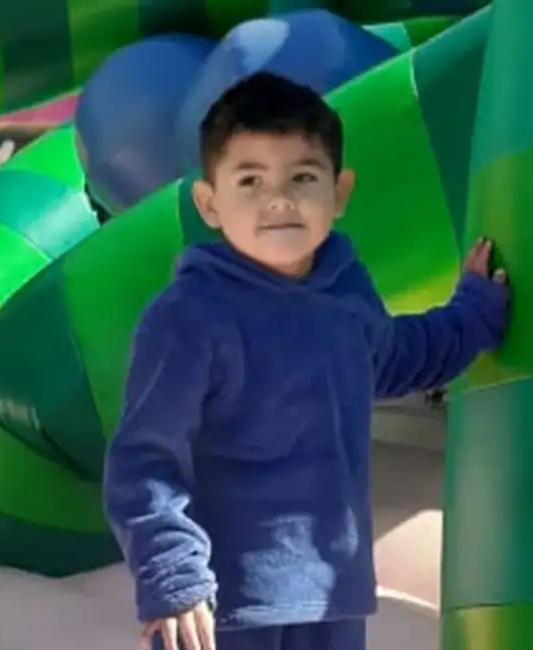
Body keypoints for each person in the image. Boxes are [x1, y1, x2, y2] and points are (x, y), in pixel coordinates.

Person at [102, 72, 509, 650]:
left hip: (332, 595)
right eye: (250, 180)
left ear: (338, 193)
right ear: (209, 204)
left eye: (302, 177)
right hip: (221, 607)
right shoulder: (188, 317)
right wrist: (172, 574)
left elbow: (398, 357)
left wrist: (474, 312)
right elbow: (144, 459)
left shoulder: (344, 295)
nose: (279, 199)